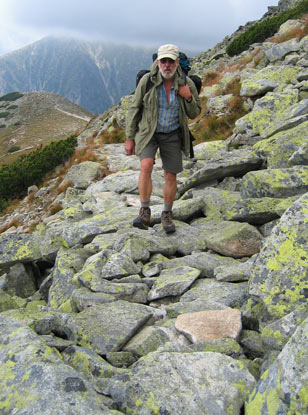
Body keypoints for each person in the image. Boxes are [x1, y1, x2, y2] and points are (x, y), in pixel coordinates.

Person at [125, 44, 201, 233]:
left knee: (170, 174)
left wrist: (189, 97)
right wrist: (130, 137)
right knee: (146, 165)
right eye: (163, 61)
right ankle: (144, 211)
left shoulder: (186, 84)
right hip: (149, 132)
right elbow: (134, 108)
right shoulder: (147, 80)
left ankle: (166, 214)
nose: (167, 65)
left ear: (176, 63)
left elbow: (195, 112)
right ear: (158, 62)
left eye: (170, 61)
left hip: (173, 132)